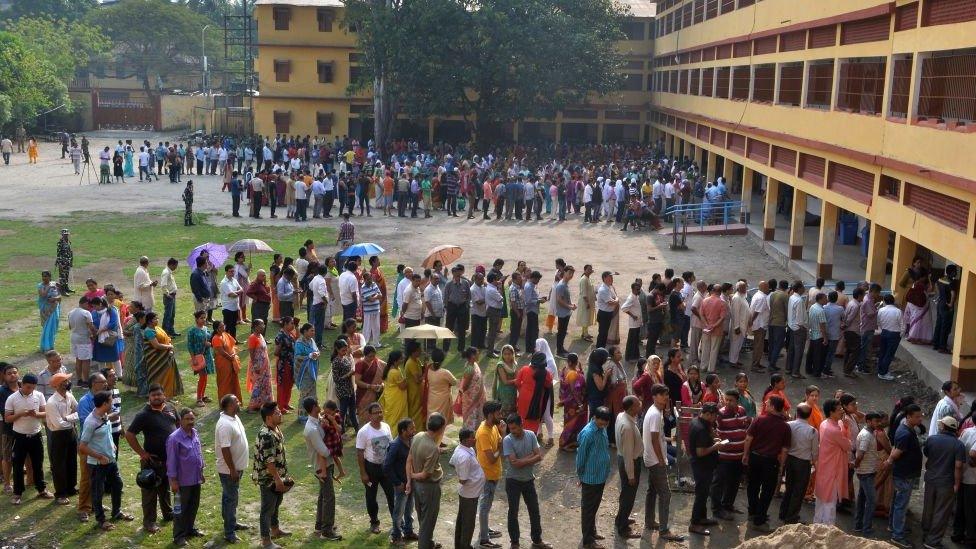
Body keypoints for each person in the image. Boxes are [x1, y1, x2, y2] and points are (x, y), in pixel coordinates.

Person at [125, 384, 177, 533]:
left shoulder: (171, 409)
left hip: (169, 460)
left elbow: (178, 426)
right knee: (150, 493)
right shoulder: (143, 415)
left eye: (159, 395)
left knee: (165, 488)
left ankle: (168, 514)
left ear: (164, 396)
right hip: (152, 462)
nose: (156, 397)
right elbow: (129, 434)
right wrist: (142, 453)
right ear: (149, 398)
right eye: (153, 395)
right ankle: (149, 522)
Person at [79, 391, 132, 530]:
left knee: (117, 484)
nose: (112, 403)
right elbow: (82, 446)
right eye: (110, 401)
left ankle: (116, 512)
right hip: (98, 463)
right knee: (98, 491)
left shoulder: (104, 416)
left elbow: (106, 431)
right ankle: (101, 520)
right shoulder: (91, 422)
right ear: (104, 404)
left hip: (110, 459)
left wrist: (111, 444)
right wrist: (99, 457)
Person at [4, 373, 55, 504]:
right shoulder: (12, 398)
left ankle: (41, 489)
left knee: (38, 463)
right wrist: (20, 414)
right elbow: (7, 418)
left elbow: (46, 412)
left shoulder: (39, 395)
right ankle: (17, 493)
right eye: (27, 387)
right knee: (18, 465)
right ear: (22, 385)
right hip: (19, 436)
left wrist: (36, 414)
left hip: (36, 435)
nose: (30, 390)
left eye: (32, 387)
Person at [742, 395, 791, 532]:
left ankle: (752, 512)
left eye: (768, 403)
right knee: (767, 491)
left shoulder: (759, 419)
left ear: (773, 407)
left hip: (755, 458)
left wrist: (745, 455)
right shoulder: (785, 427)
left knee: (753, 486)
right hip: (771, 461)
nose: (765, 403)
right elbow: (784, 449)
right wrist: (781, 465)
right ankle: (760, 517)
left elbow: (748, 439)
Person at [502, 414, 552, 549]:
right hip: (513, 481)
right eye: (510, 429)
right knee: (513, 512)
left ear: (521, 424)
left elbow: (539, 456)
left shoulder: (530, 435)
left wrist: (522, 460)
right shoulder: (507, 440)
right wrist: (531, 457)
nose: (512, 431)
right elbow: (515, 464)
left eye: (515, 428)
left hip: (528, 480)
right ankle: (515, 542)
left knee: (534, 510)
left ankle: (537, 540)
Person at [642, 384, 684, 541]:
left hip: (652, 458)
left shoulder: (657, 412)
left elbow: (657, 437)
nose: (665, 397)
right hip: (655, 460)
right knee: (665, 494)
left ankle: (650, 521)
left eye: (666, 394)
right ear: (654, 397)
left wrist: (667, 439)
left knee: (652, 491)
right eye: (662, 395)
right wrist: (661, 461)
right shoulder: (654, 414)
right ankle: (664, 530)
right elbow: (653, 440)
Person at [921, 416, 966, 549]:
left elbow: (928, 455)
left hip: (930, 479)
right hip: (946, 482)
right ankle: (932, 541)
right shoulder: (958, 445)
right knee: (941, 512)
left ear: (943, 427)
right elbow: (958, 466)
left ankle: (926, 534)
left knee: (928, 507)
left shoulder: (932, 439)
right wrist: (957, 484)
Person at [301, 398, 343, 541]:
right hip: (321, 467)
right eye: (318, 404)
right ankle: (327, 531)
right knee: (329, 497)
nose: (321, 406)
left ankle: (320, 525)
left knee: (323, 497)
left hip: (326, 464)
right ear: (314, 407)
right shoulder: (311, 429)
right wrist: (336, 448)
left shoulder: (318, 420)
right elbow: (324, 452)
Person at [253, 402, 291, 549]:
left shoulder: (275, 429)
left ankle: (275, 530)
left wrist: (283, 476)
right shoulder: (266, 435)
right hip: (269, 479)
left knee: (276, 505)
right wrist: (277, 479)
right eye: (276, 413)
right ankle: (266, 540)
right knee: (267, 509)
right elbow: (269, 461)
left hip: (277, 477)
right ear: (269, 417)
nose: (280, 413)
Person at [885, 403, 923, 547]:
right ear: (908, 417)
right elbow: (896, 452)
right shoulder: (905, 433)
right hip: (904, 475)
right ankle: (897, 535)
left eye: (921, 416)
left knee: (897, 502)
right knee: (901, 504)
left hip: (904, 473)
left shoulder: (907, 429)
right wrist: (889, 462)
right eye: (917, 417)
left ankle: (894, 527)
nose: (920, 419)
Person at [406, 413, 446, 549]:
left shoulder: (418, 436)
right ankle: (424, 544)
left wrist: (410, 479)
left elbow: (410, 458)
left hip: (418, 487)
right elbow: (425, 475)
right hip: (429, 487)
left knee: (423, 517)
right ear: (441, 429)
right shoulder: (432, 448)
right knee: (427, 522)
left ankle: (428, 543)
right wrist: (412, 475)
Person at [214, 394, 251, 544]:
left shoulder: (234, 418)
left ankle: (231, 523)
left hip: (235, 468)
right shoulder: (224, 424)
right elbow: (225, 449)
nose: (239, 403)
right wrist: (232, 470)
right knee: (231, 499)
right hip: (229, 470)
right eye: (236, 401)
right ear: (229, 405)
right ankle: (229, 532)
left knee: (229, 497)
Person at [576, 406, 613, 548]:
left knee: (594, 507)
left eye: (606, 423)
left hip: (600, 476)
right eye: (601, 422)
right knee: (588, 510)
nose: (603, 426)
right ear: (595, 418)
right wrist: (580, 475)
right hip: (590, 478)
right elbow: (581, 457)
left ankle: (592, 531)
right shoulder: (588, 433)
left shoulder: (602, 429)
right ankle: (588, 540)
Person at [166, 409, 204, 546]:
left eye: (192, 419)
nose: (190, 422)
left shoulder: (195, 433)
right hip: (182, 481)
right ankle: (178, 536)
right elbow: (171, 461)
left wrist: (201, 471)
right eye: (187, 419)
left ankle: (189, 529)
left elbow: (199, 453)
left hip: (195, 478)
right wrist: (173, 481)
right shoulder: (174, 438)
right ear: (180, 420)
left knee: (193, 505)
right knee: (179, 509)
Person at [357, 402, 395, 534]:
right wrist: (363, 473)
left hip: (386, 467)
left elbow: (390, 446)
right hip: (371, 468)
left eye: (380, 412)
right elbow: (360, 452)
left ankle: (396, 522)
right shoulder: (364, 432)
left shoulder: (386, 427)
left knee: (392, 495)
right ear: (369, 415)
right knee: (371, 497)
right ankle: (374, 522)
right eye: (376, 413)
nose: (379, 414)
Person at [813, 398, 852, 525]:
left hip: (825, 467)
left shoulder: (824, 424)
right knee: (829, 502)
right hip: (832, 470)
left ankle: (817, 527)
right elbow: (848, 446)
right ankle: (827, 531)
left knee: (821, 501)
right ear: (831, 413)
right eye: (839, 409)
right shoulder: (834, 429)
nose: (842, 411)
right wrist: (847, 428)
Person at [713, 388, 749, 520]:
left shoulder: (742, 411)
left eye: (731, 400)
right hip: (724, 456)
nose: (727, 403)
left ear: (737, 401)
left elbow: (744, 429)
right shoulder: (720, 414)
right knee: (719, 483)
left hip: (739, 456)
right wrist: (728, 442)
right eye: (726, 400)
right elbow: (716, 433)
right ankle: (717, 509)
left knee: (734, 482)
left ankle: (728, 505)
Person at [687, 402, 721, 535]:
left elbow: (709, 434)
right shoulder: (700, 428)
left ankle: (702, 517)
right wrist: (715, 447)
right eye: (714, 416)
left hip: (704, 464)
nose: (715, 419)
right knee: (701, 494)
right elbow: (700, 452)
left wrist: (714, 438)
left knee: (704, 492)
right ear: (707, 414)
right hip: (702, 465)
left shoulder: (698, 421)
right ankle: (694, 523)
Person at [476, 400, 506, 548]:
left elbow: (500, 442)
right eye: (498, 413)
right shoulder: (483, 433)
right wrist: (501, 447)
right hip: (486, 475)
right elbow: (492, 458)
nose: (501, 416)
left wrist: (503, 434)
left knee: (486, 506)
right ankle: (483, 539)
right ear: (490, 415)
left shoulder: (493, 427)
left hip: (493, 474)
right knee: (484, 506)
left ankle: (484, 529)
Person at [613, 395, 644, 539]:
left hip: (624, 458)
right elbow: (628, 454)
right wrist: (631, 475)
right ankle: (623, 527)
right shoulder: (627, 427)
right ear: (631, 408)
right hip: (629, 461)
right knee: (629, 496)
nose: (640, 405)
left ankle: (621, 518)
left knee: (625, 493)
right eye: (638, 404)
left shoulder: (622, 416)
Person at [45, 372, 77, 505]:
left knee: (71, 461)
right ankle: (61, 493)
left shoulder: (69, 395)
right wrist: (72, 420)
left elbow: (78, 411)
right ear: (58, 385)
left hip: (70, 432)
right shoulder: (52, 402)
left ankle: (71, 488)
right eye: (65, 381)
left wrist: (68, 418)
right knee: (59, 465)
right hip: (58, 435)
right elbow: (58, 424)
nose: (68, 382)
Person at [450, 426, 485, 549]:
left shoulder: (464, 449)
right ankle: (464, 545)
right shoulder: (464, 457)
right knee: (468, 523)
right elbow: (463, 480)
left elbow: (451, 462)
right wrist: (461, 473)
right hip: (469, 493)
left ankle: (460, 545)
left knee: (462, 519)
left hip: (470, 492)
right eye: (472, 437)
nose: (474, 439)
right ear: (465, 440)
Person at [854, 411, 884, 537]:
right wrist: (856, 464)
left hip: (866, 471)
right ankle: (866, 528)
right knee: (872, 501)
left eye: (879, 421)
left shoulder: (869, 433)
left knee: (861, 499)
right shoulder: (867, 435)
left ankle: (858, 525)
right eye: (876, 421)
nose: (878, 423)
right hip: (866, 472)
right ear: (868, 421)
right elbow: (860, 454)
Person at [143, 312, 184, 398]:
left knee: (168, 376)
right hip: (155, 360)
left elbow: (166, 338)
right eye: (155, 319)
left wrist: (169, 346)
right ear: (150, 321)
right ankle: (158, 396)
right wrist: (169, 346)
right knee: (158, 377)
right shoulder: (148, 331)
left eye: (157, 318)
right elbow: (156, 345)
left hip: (165, 357)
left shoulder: (157, 328)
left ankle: (167, 395)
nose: (157, 320)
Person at [559, 353, 587, 450]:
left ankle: (572, 441)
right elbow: (573, 390)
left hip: (569, 402)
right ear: (574, 362)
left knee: (571, 421)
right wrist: (580, 403)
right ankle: (564, 443)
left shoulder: (565, 370)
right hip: (574, 403)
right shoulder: (572, 373)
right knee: (572, 423)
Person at [185, 311, 213, 407]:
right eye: (201, 318)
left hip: (207, 355)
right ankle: (199, 399)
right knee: (202, 377)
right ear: (196, 319)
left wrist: (209, 344)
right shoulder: (192, 331)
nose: (204, 319)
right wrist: (193, 358)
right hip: (198, 357)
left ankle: (202, 395)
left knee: (205, 377)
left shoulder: (206, 329)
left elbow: (210, 341)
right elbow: (190, 345)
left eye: (205, 317)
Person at [293, 323, 320, 422]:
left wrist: (316, 354)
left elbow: (316, 350)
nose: (313, 332)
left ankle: (312, 414)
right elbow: (297, 357)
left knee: (312, 393)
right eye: (311, 330)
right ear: (305, 331)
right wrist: (309, 356)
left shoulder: (311, 341)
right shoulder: (299, 343)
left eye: (313, 330)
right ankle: (302, 415)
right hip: (304, 372)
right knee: (304, 394)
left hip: (312, 371)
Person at [211, 320, 242, 403]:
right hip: (223, 363)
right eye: (221, 327)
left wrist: (234, 354)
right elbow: (221, 352)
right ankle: (224, 403)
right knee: (224, 382)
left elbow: (233, 345)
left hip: (231, 361)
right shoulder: (216, 338)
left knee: (233, 381)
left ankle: (234, 402)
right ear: (216, 329)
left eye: (223, 325)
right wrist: (230, 357)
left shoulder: (225, 334)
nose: (223, 327)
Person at [552, 266, 577, 356]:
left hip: (566, 312)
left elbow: (564, 299)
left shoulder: (565, 283)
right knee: (561, 332)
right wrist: (570, 306)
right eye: (569, 273)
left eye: (572, 273)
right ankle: (559, 351)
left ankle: (561, 348)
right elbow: (559, 300)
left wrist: (571, 304)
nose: (571, 275)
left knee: (563, 332)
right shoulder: (561, 285)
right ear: (565, 272)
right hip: (562, 313)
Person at [37, 270, 61, 352]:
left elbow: (60, 296)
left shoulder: (55, 284)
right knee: (46, 327)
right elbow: (43, 295)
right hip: (45, 310)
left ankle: (51, 345)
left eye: (46, 276)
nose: (44, 278)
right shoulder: (40, 286)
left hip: (54, 308)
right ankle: (45, 346)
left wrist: (55, 298)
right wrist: (49, 287)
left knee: (53, 327)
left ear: (50, 277)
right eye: (43, 276)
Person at [577, 265, 596, 342]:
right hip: (585, 302)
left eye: (591, 269)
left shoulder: (588, 279)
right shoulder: (584, 279)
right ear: (584, 270)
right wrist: (587, 303)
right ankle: (585, 335)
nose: (590, 270)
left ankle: (585, 333)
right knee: (585, 318)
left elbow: (590, 289)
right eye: (588, 269)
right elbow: (584, 293)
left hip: (589, 301)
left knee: (587, 318)